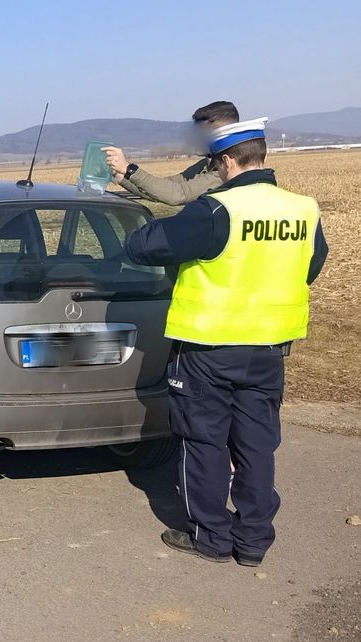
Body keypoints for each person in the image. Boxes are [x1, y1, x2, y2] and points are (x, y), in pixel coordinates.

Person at [125, 117, 329, 567]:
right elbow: (311, 266)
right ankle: (254, 542)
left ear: (228, 160)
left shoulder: (217, 210)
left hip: (208, 349)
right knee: (257, 447)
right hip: (269, 350)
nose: (216, 173)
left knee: (203, 442)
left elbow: (145, 246)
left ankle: (212, 538)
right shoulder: (302, 209)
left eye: (217, 165)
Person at [103, 101, 240, 205]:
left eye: (200, 133)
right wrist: (121, 175)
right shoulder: (206, 165)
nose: (194, 138)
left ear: (220, 134)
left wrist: (129, 169)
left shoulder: (227, 171)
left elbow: (177, 195)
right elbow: (162, 188)